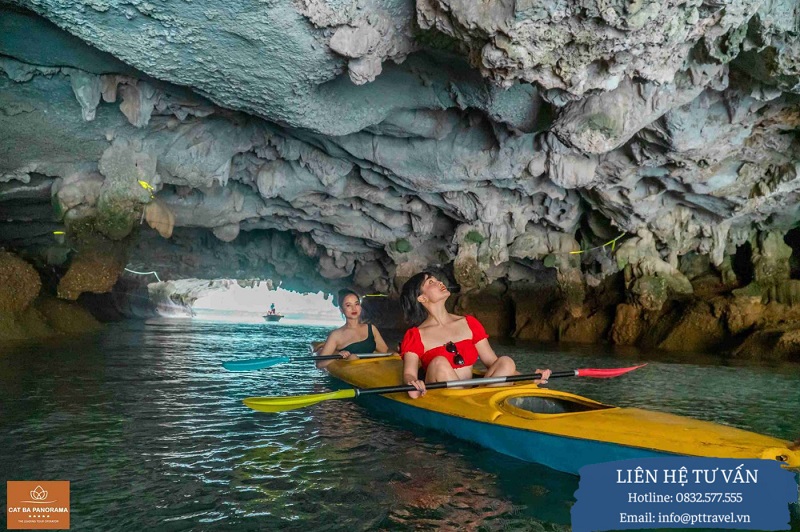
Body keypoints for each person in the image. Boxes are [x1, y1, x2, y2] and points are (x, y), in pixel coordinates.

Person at [399, 271, 552, 398]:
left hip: (477, 395)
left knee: (506, 361)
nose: (439, 282)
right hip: (445, 397)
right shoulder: (416, 335)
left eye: (437, 279)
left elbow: (493, 363)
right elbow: (409, 374)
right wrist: (413, 382)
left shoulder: (468, 323)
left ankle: (482, 405)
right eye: (431, 282)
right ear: (422, 298)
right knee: (439, 362)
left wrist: (529, 379)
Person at [316, 289, 391, 369]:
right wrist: (337, 356)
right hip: (353, 370)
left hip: (372, 369)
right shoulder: (336, 335)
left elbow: (386, 351)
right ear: (342, 310)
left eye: (356, 304)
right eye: (348, 305)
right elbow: (320, 364)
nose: (354, 308)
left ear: (360, 307)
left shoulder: (371, 328)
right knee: (353, 358)